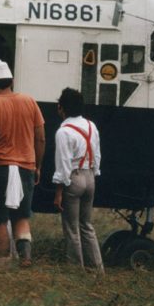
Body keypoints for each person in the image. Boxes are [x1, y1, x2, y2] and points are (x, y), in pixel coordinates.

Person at [0, 59, 45, 268]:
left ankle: (2, 262)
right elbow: (41, 137)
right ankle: (25, 257)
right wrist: (38, 166)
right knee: (21, 216)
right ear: (12, 81)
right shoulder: (29, 101)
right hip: (26, 166)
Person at [52, 88, 104, 272]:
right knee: (86, 225)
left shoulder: (63, 131)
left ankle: (75, 268)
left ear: (61, 107)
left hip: (74, 179)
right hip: (90, 176)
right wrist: (93, 172)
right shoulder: (91, 126)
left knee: (71, 227)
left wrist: (58, 192)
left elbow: (63, 164)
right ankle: (97, 267)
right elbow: (96, 155)